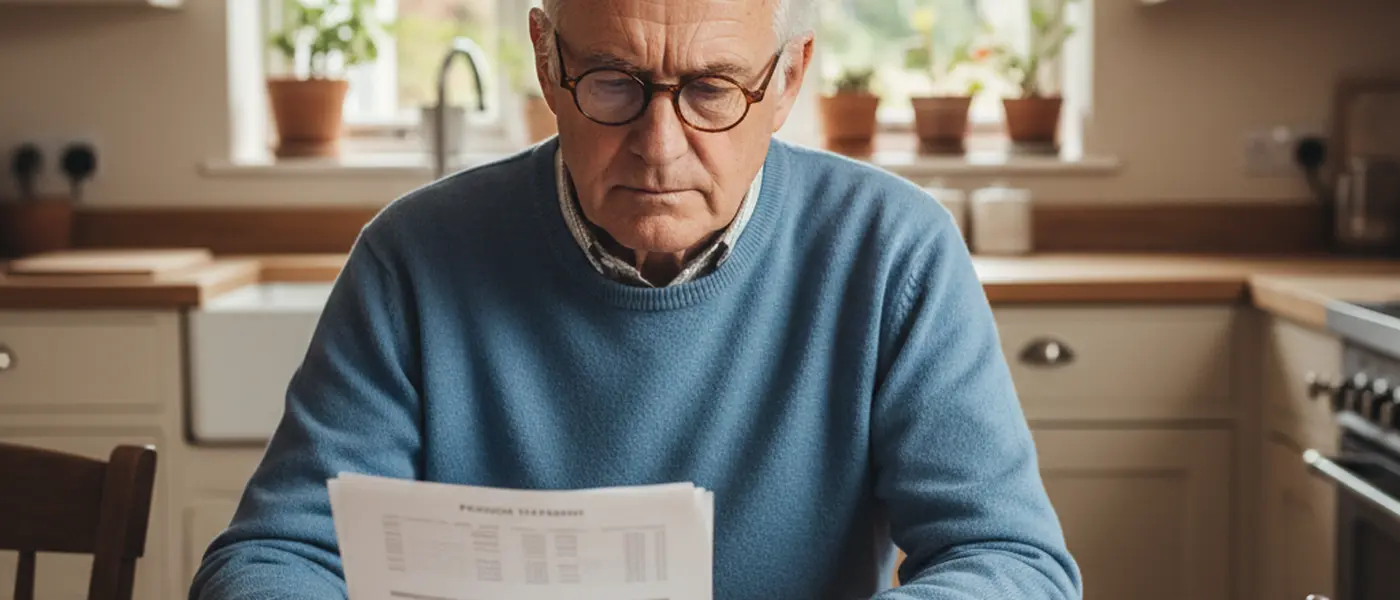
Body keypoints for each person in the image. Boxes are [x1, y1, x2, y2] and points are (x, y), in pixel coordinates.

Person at [188, 0, 1082, 597]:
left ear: (788, 80)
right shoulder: (412, 258)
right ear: (548, 61)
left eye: (711, 90)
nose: (659, 146)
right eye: (614, 82)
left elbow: (1012, 561)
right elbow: (274, 556)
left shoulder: (893, 252)